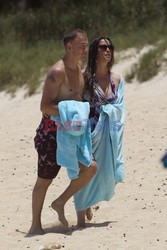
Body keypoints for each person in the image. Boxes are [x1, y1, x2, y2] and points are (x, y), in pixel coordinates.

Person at [28, 29, 97, 235]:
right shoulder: (57, 72)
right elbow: (44, 106)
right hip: (51, 134)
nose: (86, 48)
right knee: (44, 180)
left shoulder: (80, 71)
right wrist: (70, 113)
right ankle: (35, 226)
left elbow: (80, 103)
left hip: (72, 133)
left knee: (90, 168)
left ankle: (61, 202)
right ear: (69, 46)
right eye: (82, 45)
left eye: (86, 45)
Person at [73, 36, 125, 226]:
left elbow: (121, 107)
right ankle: (79, 221)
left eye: (110, 46)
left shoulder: (117, 79)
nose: (108, 50)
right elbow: (76, 105)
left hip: (111, 133)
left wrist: (109, 112)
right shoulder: (84, 78)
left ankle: (89, 204)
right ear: (95, 52)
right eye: (103, 47)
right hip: (88, 133)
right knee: (84, 172)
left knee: (113, 174)